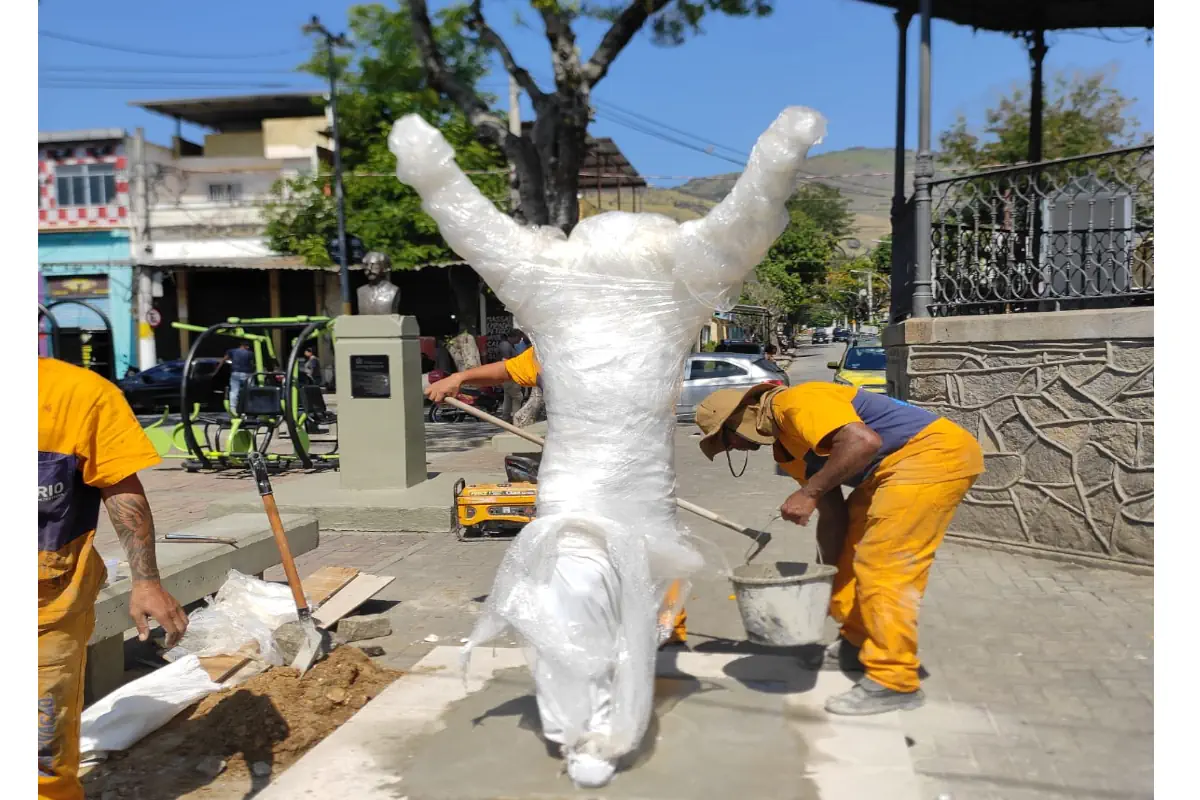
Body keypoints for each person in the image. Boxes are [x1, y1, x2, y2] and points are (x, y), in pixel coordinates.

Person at [694, 381, 983, 716]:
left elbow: (863, 441)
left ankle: (894, 680)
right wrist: (826, 576)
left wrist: (809, 492)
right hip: (889, 472)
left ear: (741, 416)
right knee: (855, 553)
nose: (733, 448)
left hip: (931, 457)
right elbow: (833, 515)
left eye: (726, 438)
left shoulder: (796, 402)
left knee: (883, 568)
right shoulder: (787, 451)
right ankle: (856, 643)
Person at [426, 347, 689, 645]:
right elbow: (511, 370)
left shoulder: (636, 345)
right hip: (576, 470)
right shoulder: (557, 343)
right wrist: (459, 378)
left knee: (646, 543)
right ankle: (593, 622)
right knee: (577, 545)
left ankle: (661, 625)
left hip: (636, 469)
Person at [39, 357, 189, 799]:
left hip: (45, 614)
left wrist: (146, 582)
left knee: (40, 762)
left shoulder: (79, 396)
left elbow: (121, 490)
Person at [495, 330, 526, 422]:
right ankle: (516, 417)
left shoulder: (507, 345)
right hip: (510, 375)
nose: (520, 340)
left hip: (508, 375)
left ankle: (506, 416)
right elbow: (506, 360)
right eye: (519, 338)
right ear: (514, 336)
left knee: (508, 396)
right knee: (517, 396)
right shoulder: (505, 345)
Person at [224, 341, 254, 415]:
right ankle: (248, 408)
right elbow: (252, 364)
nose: (248, 348)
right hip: (246, 373)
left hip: (235, 373)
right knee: (249, 390)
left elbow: (224, 359)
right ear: (244, 346)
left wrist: (216, 370)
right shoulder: (249, 353)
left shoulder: (232, 351)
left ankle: (233, 408)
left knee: (234, 391)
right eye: (247, 346)